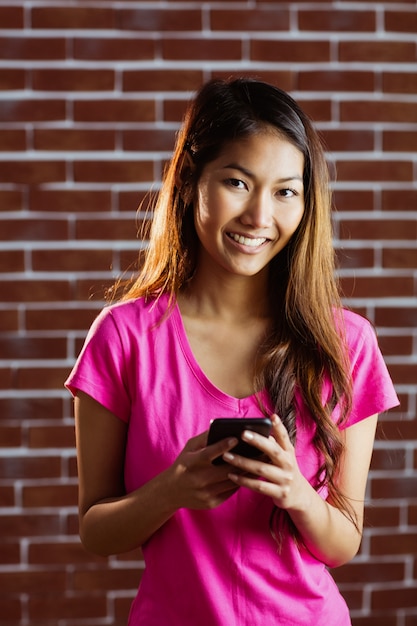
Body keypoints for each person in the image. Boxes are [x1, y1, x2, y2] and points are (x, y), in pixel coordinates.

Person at [65, 77, 399, 626]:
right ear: (192, 180)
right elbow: (95, 529)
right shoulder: (124, 336)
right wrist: (172, 490)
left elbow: (343, 544)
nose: (259, 216)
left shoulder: (348, 343)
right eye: (238, 183)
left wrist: (296, 493)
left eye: (286, 191)